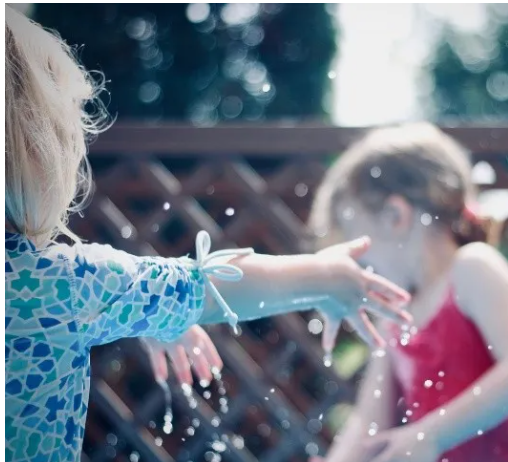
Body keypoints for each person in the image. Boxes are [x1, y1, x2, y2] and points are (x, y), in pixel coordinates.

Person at [4, 8, 411, 462]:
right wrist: (327, 275)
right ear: (38, 154)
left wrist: (152, 312)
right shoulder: (45, 283)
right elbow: (211, 283)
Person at [308, 124, 508, 462]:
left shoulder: (472, 269)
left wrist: (431, 436)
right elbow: (369, 421)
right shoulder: (396, 313)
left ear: (396, 216)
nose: (361, 266)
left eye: (357, 241)